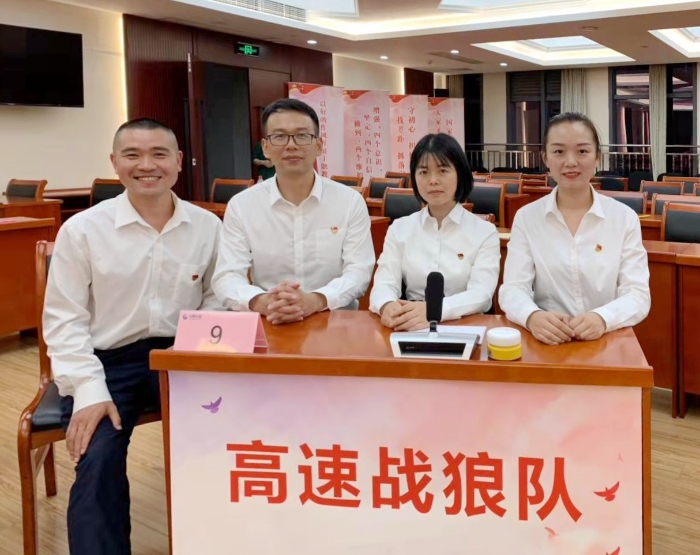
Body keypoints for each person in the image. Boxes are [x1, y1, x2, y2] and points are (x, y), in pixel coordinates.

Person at [42, 118, 222, 555]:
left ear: (178, 161)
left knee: (229, 437)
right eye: (132, 155)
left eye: (159, 154)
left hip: (181, 355)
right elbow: (64, 320)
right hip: (104, 362)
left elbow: (219, 298)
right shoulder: (83, 230)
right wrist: (88, 389)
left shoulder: (207, 226)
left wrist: (195, 350)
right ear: (114, 163)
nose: (147, 165)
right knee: (98, 456)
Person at [212, 98, 375, 323]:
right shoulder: (242, 206)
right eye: (280, 136)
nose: (291, 145)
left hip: (334, 321)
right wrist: (262, 302)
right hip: (270, 320)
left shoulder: (349, 202)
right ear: (266, 147)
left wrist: (316, 300)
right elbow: (227, 275)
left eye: (302, 135)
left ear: (319, 145)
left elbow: (359, 271)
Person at [498, 112, 650, 345]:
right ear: (545, 158)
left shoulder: (624, 218)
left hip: (607, 340)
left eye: (582, 151)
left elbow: (637, 294)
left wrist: (603, 318)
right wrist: (532, 317)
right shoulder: (527, 218)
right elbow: (513, 288)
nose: (570, 162)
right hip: (547, 342)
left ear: (597, 157)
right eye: (559, 151)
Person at [369, 133, 501, 331]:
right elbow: (383, 283)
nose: (433, 180)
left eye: (443, 171)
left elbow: (481, 295)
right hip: (410, 325)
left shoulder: (484, 232)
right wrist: (387, 305)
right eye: (423, 172)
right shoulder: (399, 229)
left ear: (460, 174)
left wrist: (435, 310)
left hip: (464, 325)